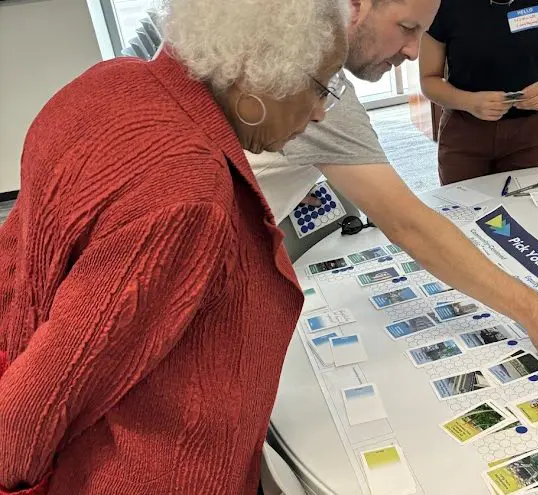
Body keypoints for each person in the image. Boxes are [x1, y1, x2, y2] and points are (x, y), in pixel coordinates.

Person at [0, 0, 348, 492]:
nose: (318, 113)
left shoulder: (111, 79)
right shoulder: (186, 192)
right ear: (256, 70)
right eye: (320, 86)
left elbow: (15, 254)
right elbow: (43, 396)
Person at [250, 0, 538, 372]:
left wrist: (288, 166)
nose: (414, 51)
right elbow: (409, 225)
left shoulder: (268, 45)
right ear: (355, 7)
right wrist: (537, 314)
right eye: (406, 27)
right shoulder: (322, 91)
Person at [418, 0, 538, 184]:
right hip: (465, 130)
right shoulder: (442, 5)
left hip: (530, 133)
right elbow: (429, 80)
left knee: (525, 208)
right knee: (462, 208)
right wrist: (469, 101)